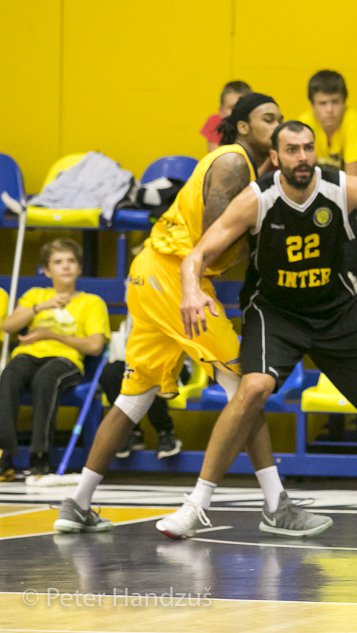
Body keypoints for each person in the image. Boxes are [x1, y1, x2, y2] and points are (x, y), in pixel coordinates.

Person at [159, 120, 357, 542]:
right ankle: (195, 505)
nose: (303, 157)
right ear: (275, 157)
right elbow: (197, 255)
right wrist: (189, 290)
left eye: (308, 148)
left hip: (336, 310)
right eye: (292, 150)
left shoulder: (340, 188)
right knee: (252, 388)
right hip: (275, 312)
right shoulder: (257, 199)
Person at [52, 93, 313, 536]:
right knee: (245, 388)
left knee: (134, 397)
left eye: (280, 119)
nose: (278, 126)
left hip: (151, 274)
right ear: (243, 127)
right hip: (174, 279)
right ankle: (276, 505)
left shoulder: (241, 168)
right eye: (268, 119)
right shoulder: (232, 162)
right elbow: (216, 242)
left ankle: (77, 503)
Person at [0, 239, 109, 479]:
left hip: (65, 360)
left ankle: (40, 456)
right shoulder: (35, 295)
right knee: (8, 376)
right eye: (58, 262)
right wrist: (40, 307)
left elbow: (95, 346)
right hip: (29, 355)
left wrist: (52, 335)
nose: (66, 266)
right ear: (47, 271)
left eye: (71, 261)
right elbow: (8, 326)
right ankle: (4, 456)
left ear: (79, 268)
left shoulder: (92, 302)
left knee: (45, 379)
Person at [299, 70, 357, 282]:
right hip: (320, 193)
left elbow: (351, 182)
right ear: (312, 105)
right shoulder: (303, 125)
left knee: (348, 208)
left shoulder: (354, 121)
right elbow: (299, 178)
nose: (330, 110)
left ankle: (352, 277)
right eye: (323, 103)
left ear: (345, 102)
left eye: (335, 102)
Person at [100, 318, 182, 460]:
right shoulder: (133, 315)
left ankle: (166, 432)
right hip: (135, 365)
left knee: (150, 371)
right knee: (110, 372)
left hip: (174, 365)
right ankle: (131, 432)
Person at [200, 81, 252, 152]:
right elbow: (215, 155)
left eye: (243, 107)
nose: (237, 112)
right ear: (221, 110)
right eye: (232, 108)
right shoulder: (215, 122)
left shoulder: (255, 123)